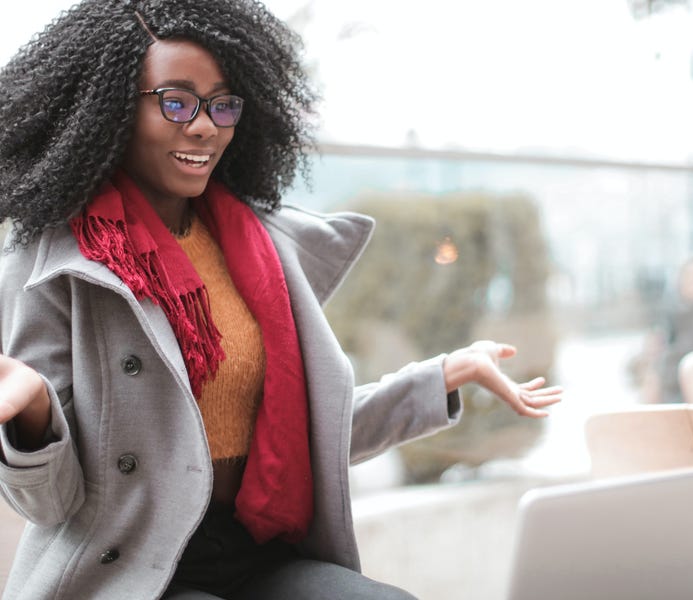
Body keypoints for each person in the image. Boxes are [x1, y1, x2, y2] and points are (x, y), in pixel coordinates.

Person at [0, 2, 562, 599]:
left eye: (221, 104)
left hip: (257, 546)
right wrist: (34, 416)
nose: (204, 126)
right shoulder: (56, 268)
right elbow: (52, 502)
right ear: (110, 111)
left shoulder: (261, 251)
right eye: (176, 101)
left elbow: (304, 437)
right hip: (132, 564)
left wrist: (445, 374)